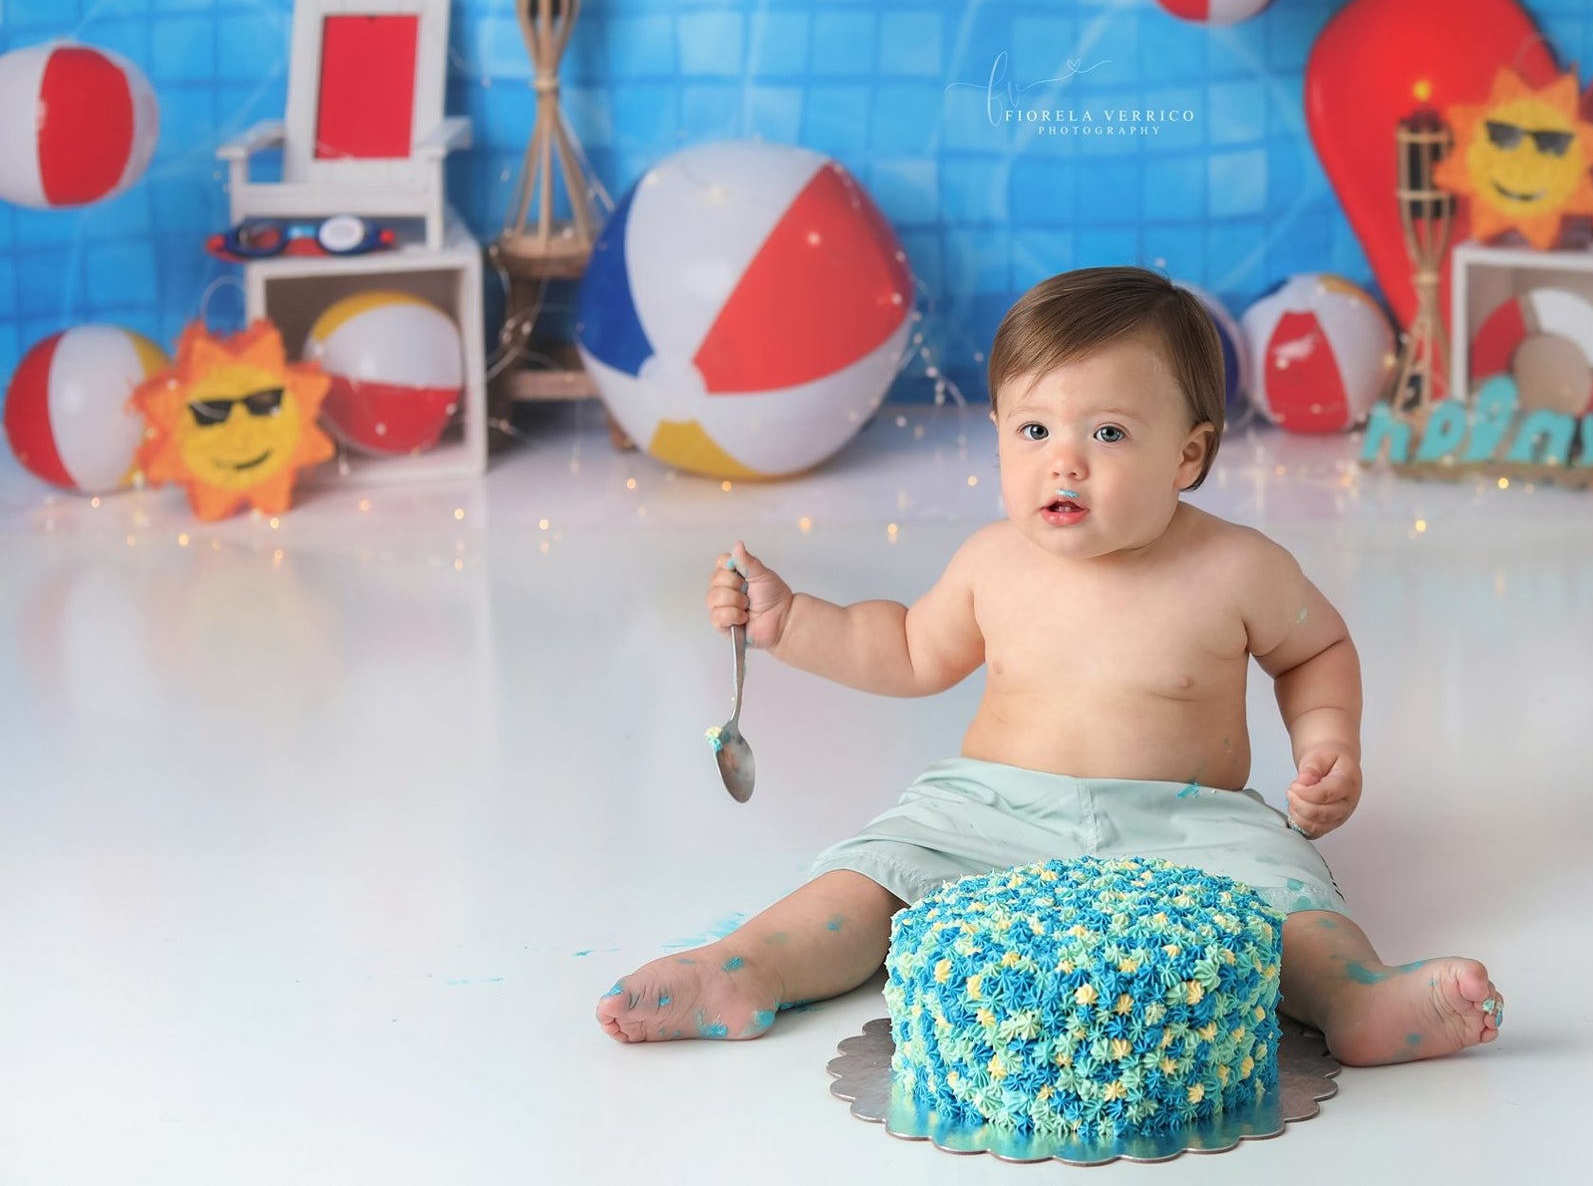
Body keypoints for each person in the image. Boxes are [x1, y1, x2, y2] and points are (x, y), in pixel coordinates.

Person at [596, 266, 1503, 1065]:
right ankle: (743, 968)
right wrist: (791, 621)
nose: (1063, 461)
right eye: (1033, 429)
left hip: (1190, 821)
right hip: (990, 808)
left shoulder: (1237, 566)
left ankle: (1355, 996)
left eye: (1107, 433)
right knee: (872, 873)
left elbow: (1316, 649)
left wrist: (1328, 741)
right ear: (997, 432)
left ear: (1187, 453)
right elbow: (906, 647)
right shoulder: (993, 561)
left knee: (1286, 896)